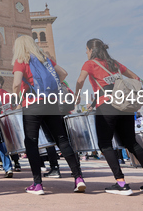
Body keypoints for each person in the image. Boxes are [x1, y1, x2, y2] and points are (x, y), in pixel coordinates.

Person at [74, 38, 143, 195]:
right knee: (131, 142)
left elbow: (80, 80)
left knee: (105, 144)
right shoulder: (114, 63)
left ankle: (121, 183)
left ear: (91, 50)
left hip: (107, 105)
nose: (86, 53)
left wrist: (77, 95)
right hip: (124, 105)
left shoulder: (90, 63)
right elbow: (135, 78)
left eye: (87, 50)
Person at [12, 35, 85, 195]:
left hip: (32, 105)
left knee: (31, 143)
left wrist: (16, 97)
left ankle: (37, 184)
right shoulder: (44, 59)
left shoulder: (21, 60)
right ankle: (78, 178)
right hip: (51, 103)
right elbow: (64, 73)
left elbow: (17, 83)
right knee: (62, 140)